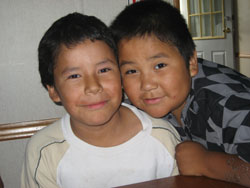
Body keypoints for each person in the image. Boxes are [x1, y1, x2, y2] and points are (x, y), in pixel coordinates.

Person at [20, 12, 180, 188]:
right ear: (53, 91)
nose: (93, 86)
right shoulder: (45, 151)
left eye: (104, 70)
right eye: (74, 75)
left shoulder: (162, 137)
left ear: (120, 75)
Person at [110, 0, 250, 187]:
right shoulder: (152, 100)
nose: (147, 84)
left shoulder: (228, 103)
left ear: (191, 62)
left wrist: (206, 162)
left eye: (159, 66)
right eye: (131, 71)